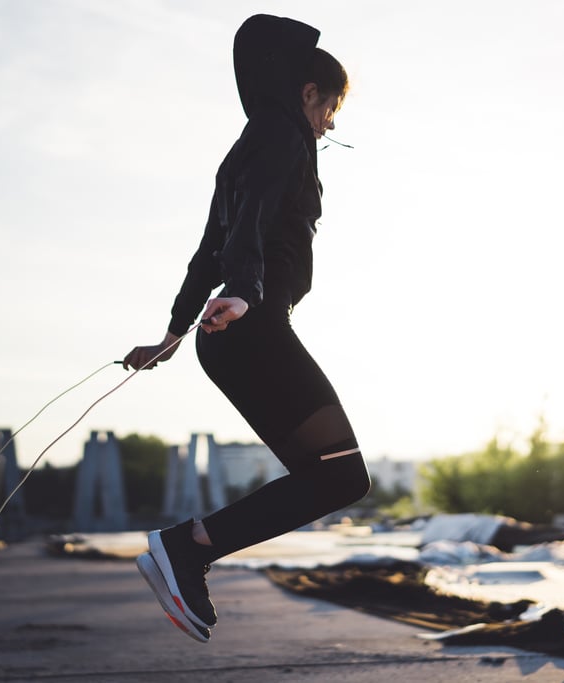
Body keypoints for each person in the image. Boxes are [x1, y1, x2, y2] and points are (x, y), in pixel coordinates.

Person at [123, 14, 371, 643]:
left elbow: (211, 246)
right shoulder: (282, 134)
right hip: (251, 325)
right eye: (331, 105)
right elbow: (248, 223)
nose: (331, 122)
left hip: (234, 328)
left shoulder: (251, 143)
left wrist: (174, 333)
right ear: (307, 93)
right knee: (342, 476)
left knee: (331, 476)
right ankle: (186, 549)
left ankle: (189, 548)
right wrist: (240, 293)